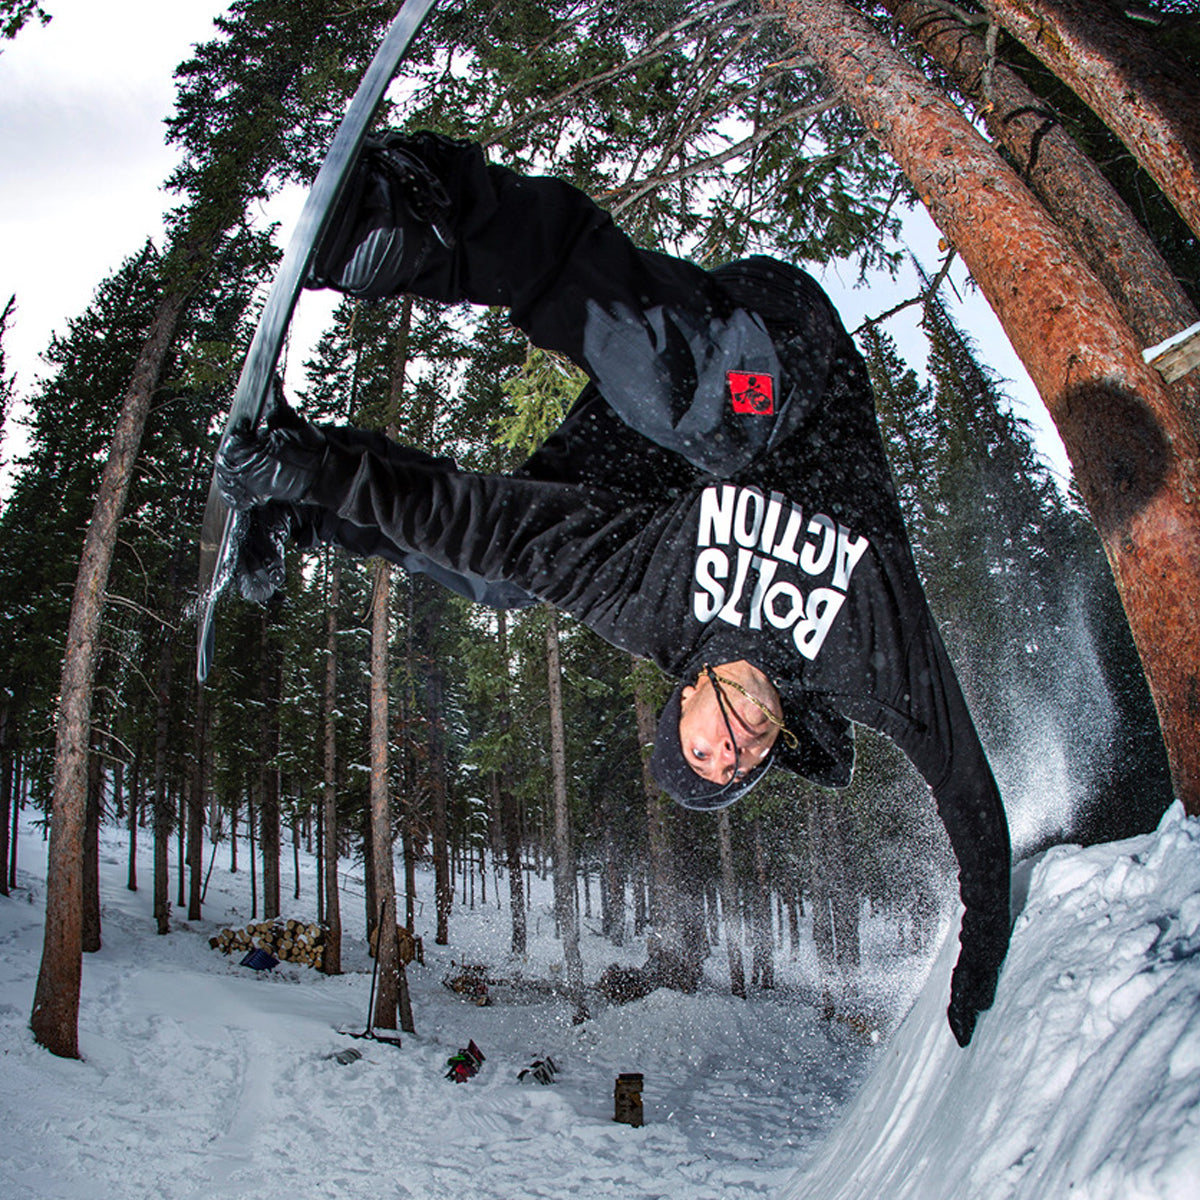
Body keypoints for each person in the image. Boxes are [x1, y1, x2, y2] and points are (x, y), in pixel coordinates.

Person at [216, 131, 1012, 1046]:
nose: (734, 753)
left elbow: (497, 530)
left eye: (709, 757)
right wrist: (982, 942)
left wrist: (322, 478)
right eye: (736, 766)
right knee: (709, 416)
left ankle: (311, 484)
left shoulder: (651, 603)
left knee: (504, 576)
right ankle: (433, 215)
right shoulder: (868, 653)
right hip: (784, 364)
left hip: (674, 441)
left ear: (681, 703)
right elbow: (966, 794)